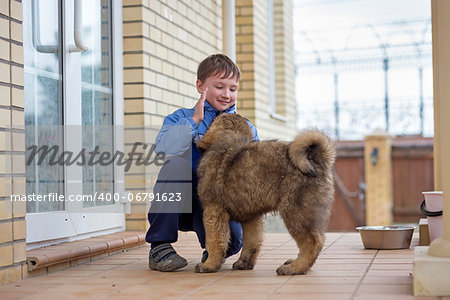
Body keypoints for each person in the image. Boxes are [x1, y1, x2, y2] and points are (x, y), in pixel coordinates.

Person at [145, 54, 259, 272]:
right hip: (180, 202)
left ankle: (214, 248)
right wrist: (194, 121)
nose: (227, 94)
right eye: (219, 87)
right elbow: (162, 149)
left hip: (215, 203)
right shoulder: (181, 118)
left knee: (232, 243)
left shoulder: (247, 128)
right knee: (175, 164)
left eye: (233, 89)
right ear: (200, 86)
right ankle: (160, 247)